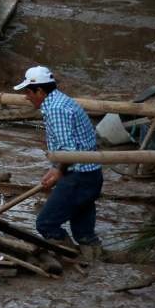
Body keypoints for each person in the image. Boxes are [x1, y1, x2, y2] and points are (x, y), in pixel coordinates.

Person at [14, 65, 103, 261]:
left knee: (46, 224)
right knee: (83, 232)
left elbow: (69, 152)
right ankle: (94, 260)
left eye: (29, 92)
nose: (27, 97)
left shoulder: (56, 109)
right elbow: (68, 147)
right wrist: (54, 169)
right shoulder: (61, 101)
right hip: (90, 174)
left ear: (40, 91)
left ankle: (70, 257)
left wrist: (58, 172)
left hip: (78, 176)